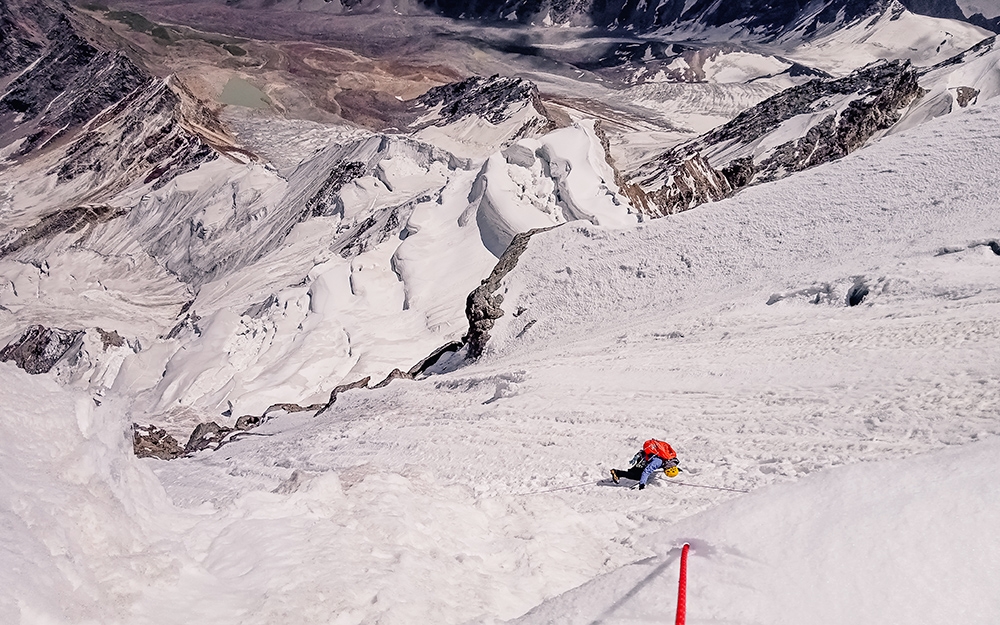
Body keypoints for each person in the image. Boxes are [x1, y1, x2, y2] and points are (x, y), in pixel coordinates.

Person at [610, 439, 679, 490]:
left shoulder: (672, 460)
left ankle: (620, 473)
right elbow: (646, 471)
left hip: (646, 456)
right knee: (637, 476)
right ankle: (617, 473)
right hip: (642, 460)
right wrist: (642, 484)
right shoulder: (658, 462)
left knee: (634, 472)